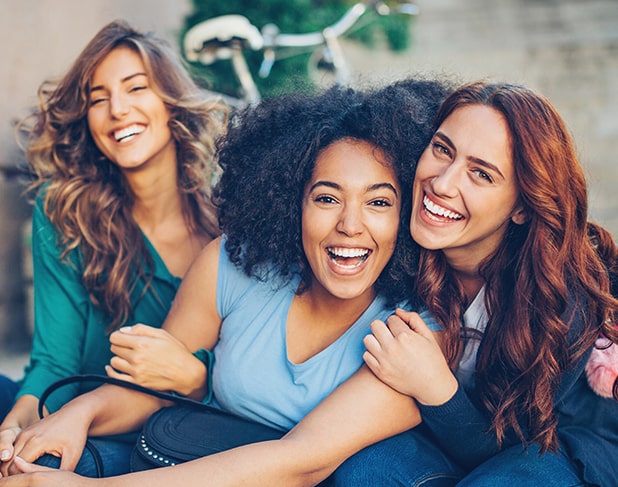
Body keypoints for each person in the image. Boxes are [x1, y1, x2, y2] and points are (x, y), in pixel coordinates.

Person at [0, 78, 451, 485]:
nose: (350, 225)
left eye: (379, 203)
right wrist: (76, 415)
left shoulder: (418, 330)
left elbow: (302, 463)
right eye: (327, 198)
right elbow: (153, 386)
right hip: (192, 461)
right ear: (292, 202)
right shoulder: (233, 264)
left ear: (409, 209)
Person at [331, 81, 618, 486]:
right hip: (441, 441)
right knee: (362, 471)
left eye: (481, 174)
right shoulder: (394, 240)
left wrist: (436, 390)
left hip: (556, 448)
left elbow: (512, 441)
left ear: (522, 205)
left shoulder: (562, 295)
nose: (443, 184)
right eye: (442, 150)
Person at [0, 19, 227, 476]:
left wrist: (196, 376)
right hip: (67, 409)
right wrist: (15, 429)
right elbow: (53, 361)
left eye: (135, 88)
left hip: (172, 440)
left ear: (171, 104)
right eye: (98, 99)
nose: (117, 109)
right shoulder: (67, 211)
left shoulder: (229, 225)